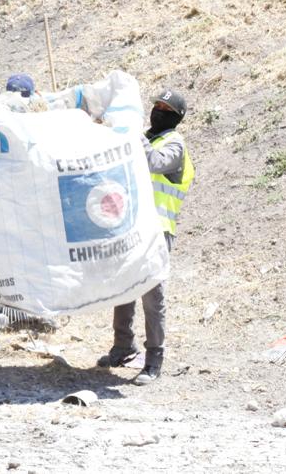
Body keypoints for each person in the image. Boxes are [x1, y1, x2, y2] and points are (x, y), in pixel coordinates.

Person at [98, 88, 195, 385]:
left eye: (165, 109)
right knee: (125, 286)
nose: (158, 112)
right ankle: (123, 347)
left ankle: (154, 360)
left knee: (152, 295)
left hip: (158, 229)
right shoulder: (145, 139)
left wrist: (132, 133)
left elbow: (155, 162)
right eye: (156, 106)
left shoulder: (174, 144)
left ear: (176, 117)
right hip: (132, 226)